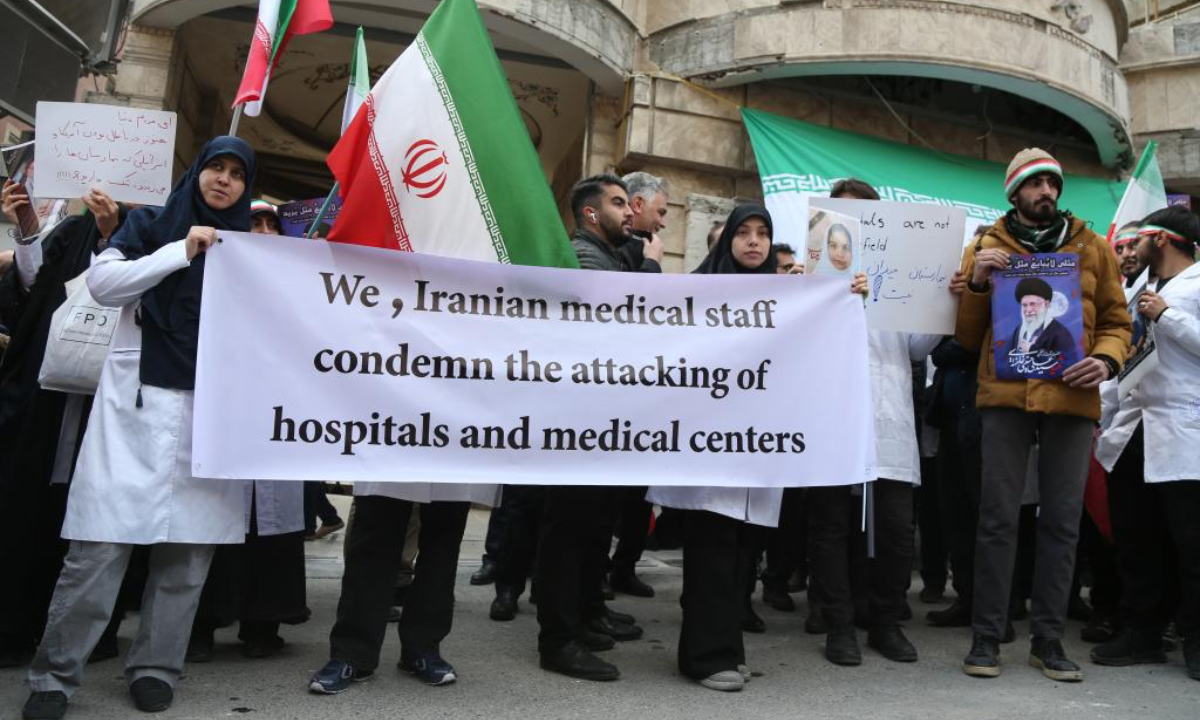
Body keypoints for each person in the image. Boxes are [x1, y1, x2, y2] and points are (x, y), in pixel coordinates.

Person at [21, 137, 256, 720]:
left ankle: (155, 668)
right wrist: (182, 250)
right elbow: (104, 286)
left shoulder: (251, 248)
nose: (224, 181)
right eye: (215, 168)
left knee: (186, 559)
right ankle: (54, 677)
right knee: (99, 551)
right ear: (197, 172)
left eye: (236, 174)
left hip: (210, 420)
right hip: (134, 412)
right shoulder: (151, 224)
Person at [956, 148, 1131, 682]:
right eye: (1035, 185)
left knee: (1061, 521)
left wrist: (1105, 359)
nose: (1047, 193)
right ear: (1014, 193)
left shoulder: (1091, 247)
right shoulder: (984, 246)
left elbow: (1118, 321)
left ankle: (1049, 640)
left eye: (1053, 184)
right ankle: (987, 638)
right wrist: (980, 284)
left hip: (1073, 399)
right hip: (1006, 397)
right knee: (997, 518)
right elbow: (967, 337)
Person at [806, 179, 940, 668]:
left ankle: (884, 620)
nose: (851, 235)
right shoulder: (808, 279)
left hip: (889, 425)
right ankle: (839, 624)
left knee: (896, 529)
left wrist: (942, 302)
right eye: (841, 221)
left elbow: (917, 348)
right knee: (830, 526)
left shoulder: (896, 279)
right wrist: (813, 292)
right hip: (832, 420)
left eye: (864, 219)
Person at [535, 174, 660, 683]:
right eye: (616, 203)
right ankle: (557, 640)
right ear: (591, 214)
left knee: (589, 530)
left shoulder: (607, 255)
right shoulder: (584, 260)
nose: (629, 211)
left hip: (596, 424)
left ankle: (584, 616)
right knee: (568, 533)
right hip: (576, 426)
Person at [0, 185, 124, 669]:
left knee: (87, 521)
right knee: (27, 506)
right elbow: (36, 291)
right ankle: (13, 625)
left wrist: (114, 237)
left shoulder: (154, 233)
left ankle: (78, 634)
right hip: (46, 402)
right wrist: (29, 228)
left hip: (106, 404)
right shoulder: (72, 230)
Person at [187, 199, 308, 662]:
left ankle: (263, 623)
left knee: (273, 524)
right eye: (253, 222)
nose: (262, 230)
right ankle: (201, 623)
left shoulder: (303, 279)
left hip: (281, 414)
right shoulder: (213, 268)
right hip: (227, 409)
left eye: (271, 225)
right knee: (215, 519)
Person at [1092, 207, 1200, 681]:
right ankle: (1142, 633)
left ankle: (1196, 642)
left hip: (1185, 431)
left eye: (1140, 241)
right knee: (1137, 538)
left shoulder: (1194, 285)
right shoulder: (1145, 290)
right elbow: (1134, 358)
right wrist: (1100, 410)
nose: (1131, 250)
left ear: (1163, 239)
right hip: (1136, 427)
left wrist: (1170, 317)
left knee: (1191, 545)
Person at [308, 478, 499, 692]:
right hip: (390, 452)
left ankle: (422, 648)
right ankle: (352, 653)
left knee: (442, 546)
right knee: (372, 536)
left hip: (452, 458)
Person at [607, 171, 671, 599]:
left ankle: (622, 568)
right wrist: (650, 265)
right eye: (661, 211)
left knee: (637, 498)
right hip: (612, 399)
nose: (664, 221)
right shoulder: (621, 254)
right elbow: (630, 310)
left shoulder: (644, 250)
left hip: (641, 400)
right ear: (637, 205)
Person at [999, 277, 1081, 375]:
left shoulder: (1060, 333)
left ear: (1046, 304)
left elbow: (1069, 366)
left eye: (1033, 304)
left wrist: (1032, 350)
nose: (1028, 310)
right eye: (1024, 305)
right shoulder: (1018, 330)